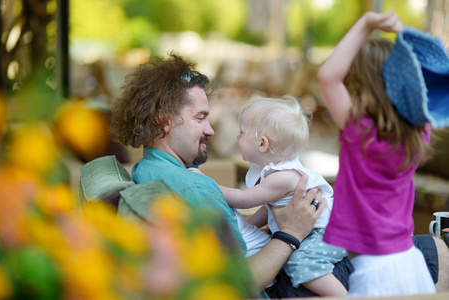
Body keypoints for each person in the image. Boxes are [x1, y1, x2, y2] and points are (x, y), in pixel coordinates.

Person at [110, 52, 445, 297]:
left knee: (421, 248)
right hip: (291, 279)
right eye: (200, 117)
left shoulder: (152, 170)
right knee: (434, 254)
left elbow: (239, 230)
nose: (211, 130)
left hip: (298, 261)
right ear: (164, 120)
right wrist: (290, 232)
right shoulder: (190, 185)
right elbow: (239, 281)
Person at [317, 9, 436, 297]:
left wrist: (367, 23)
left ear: (360, 86)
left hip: (376, 275)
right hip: (412, 263)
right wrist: (404, 44)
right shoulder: (419, 131)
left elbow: (328, 76)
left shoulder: (361, 131)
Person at [189, 95, 347, 297]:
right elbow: (269, 208)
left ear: (262, 144)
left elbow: (243, 200)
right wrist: (250, 226)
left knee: (300, 263)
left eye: (241, 132)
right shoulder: (276, 172)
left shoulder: (281, 177)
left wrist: (205, 181)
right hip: (321, 230)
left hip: (324, 233)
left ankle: (342, 296)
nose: (237, 137)